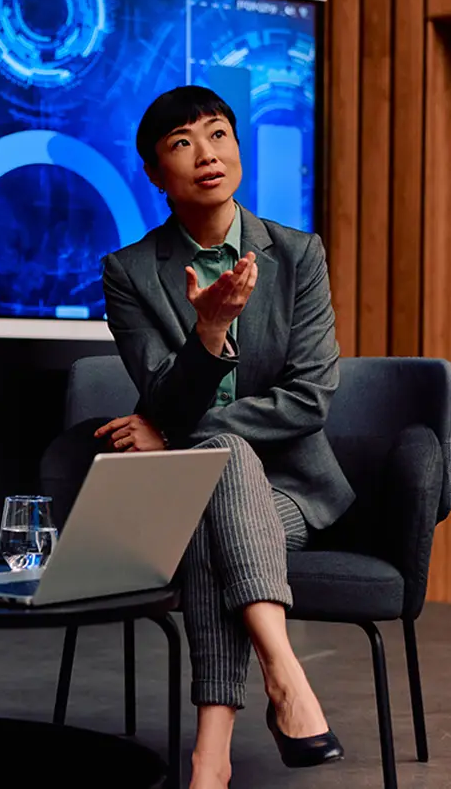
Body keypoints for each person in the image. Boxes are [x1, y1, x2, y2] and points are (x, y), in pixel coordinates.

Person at [98, 86, 351, 789]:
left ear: (238, 147)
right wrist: (209, 334)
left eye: (217, 134)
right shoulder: (129, 272)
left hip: (293, 489)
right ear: (155, 172)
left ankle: (211, 755)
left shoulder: (297, 255)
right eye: (182, 143)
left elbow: (310, 397)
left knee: (220, 464)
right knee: (221, 471)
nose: (206, 154)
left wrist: (183, 438)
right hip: (189, 494)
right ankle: (284, 674)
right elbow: (159, 393)